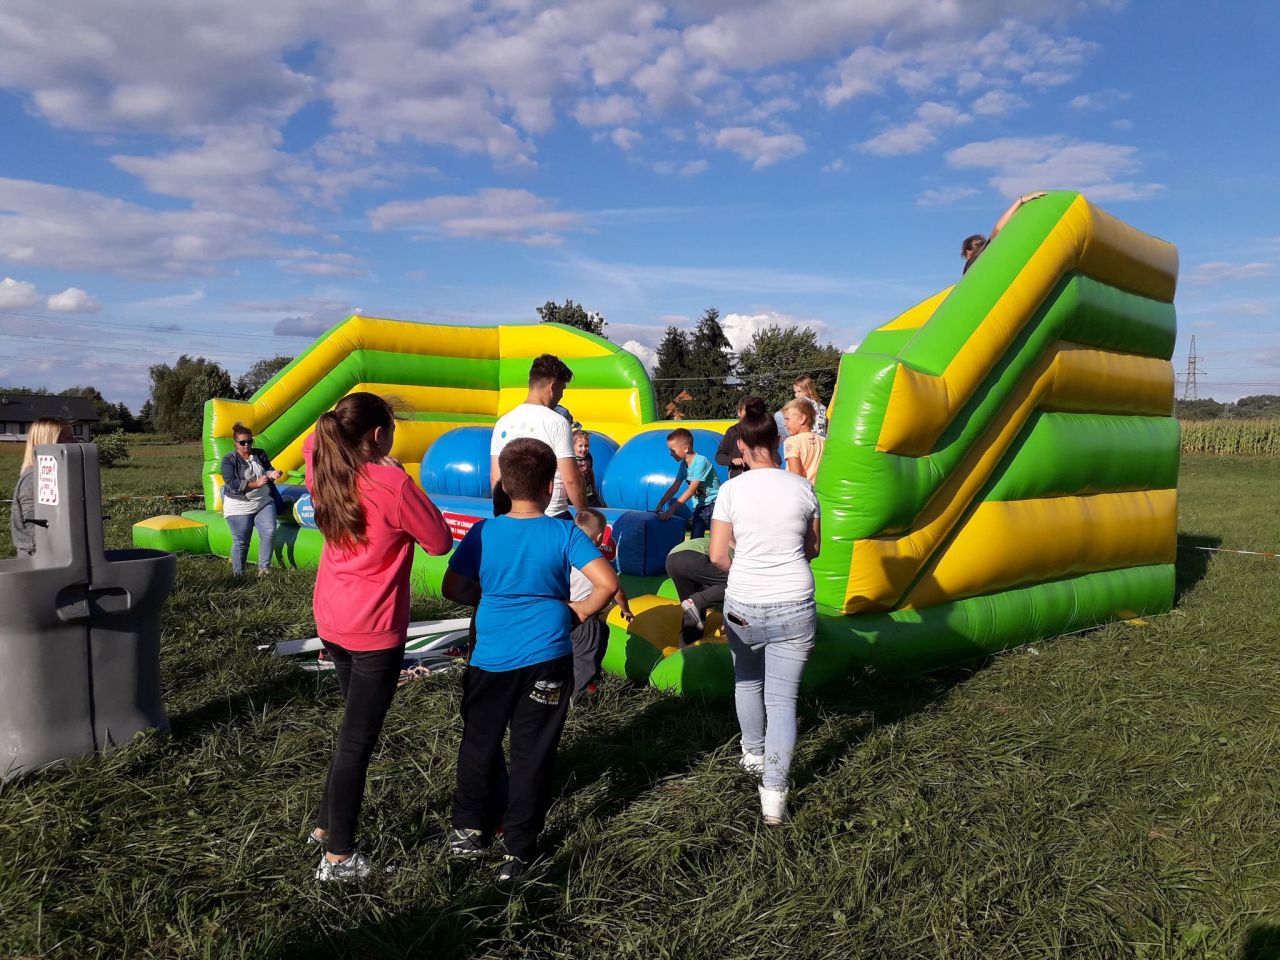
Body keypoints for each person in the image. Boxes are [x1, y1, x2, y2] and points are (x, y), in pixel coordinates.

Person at [442, 438, 618, 882]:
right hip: (547, 656)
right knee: (531, 752)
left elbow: (452, 587)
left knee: (479, 741)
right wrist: (578, 612)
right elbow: (607, 584)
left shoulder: (484, 532)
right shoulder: (564, 533)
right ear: (548, 486)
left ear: (504, 484)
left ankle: (467, 829)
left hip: (490, 657)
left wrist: (493, 598)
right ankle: (519, 851)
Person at [304, 393, 453, 882]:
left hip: (333, 618)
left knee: (352, 729)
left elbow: (314, 441)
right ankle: (339, 859)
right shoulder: (391, 483)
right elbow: (439, 541)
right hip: (373, 627)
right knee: (357, 742)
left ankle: (327, 826)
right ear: (377, 435)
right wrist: (397, 474)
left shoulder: (324, 467)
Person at [709, 397, 821, 826]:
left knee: (746, 679)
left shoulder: (731, 490)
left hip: (743, 604)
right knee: (783, 701)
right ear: (778, 440)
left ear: (741, 446)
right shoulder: (803, 488)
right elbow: (813, 548)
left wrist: (744, 564)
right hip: (794, 602)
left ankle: (753, 754)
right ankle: (774, 796)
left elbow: (717, 556)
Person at [491, 354, 587, 519]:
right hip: (552, 515)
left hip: (513, 516)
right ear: (552, 387)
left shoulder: (503, 423)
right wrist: (585, 515)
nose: (561, 396)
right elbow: (571, 479)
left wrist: (503, 518)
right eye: (562, 389)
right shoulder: (557, 423)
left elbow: (496, 477)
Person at [569, 508, 633, 699]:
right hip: (585, 617)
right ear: (599, 537)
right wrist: (625, 610)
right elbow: (616, 589)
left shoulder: (566, 554)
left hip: (563, 611)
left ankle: (581, 681)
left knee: (601, 633)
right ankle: (574, 698)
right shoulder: (596, 561)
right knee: (585, 660)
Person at [220, 422, 284, 576]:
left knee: (269, 531)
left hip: (263, 501)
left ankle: (264, 570)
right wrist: (255, 484)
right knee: (242, 542)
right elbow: (231, 482)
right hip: (239, 505)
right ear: (235, 443)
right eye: (242, 442)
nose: (247, 445)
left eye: (250, 441)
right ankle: (239, 575)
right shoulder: (229, 460)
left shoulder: (259, 454)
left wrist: (272, 474)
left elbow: (267, 470)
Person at [9, 418, 73, 558]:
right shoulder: (33, 479)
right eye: (68, 438)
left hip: (62, 553)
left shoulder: (60, 475)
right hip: (39, 558)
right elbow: (36, 529)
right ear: (51, 442)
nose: (75, 443)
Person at [655, 428, 720, 538]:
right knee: (695, 536)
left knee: (716, 536)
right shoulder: (684, 465)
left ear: (685, 448)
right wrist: (661, 503)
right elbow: (675, 486)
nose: (670, 454)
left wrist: (671, 510)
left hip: (715, 503)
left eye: (673, 450)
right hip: (701, 505)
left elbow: (691, 490)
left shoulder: (701, 461)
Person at [665, 535, 728, 647]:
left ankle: (685, 649)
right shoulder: (736, 554)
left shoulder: (717, 543)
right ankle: (695, 602)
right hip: (694, 557)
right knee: (735, 584)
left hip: (671, 560)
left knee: (693, 614)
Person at [962, 192, 1047, 273]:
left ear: (967, 252)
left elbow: (997, 230)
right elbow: (998, 229)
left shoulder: (973, 263)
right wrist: (1020, 201)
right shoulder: (989, 256)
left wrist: (1020, 200)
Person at [781, 399, 826, 483]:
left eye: (787, 419)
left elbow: (795, 473)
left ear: (802, 419)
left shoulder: (792, 441)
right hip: (819, 487)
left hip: (802, 488)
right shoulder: (823, 440)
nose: (784, 423)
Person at [715, 398, 751, 479]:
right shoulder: (733, 431)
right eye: (746, 410)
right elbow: (719, 456)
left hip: (755, 477)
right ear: (739, 412)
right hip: (736, 478)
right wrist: (732, 460)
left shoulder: (760, 431)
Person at [572, 430, 604, 507]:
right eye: (580, 446)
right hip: (575, 493)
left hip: (588, 493)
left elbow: (590, 472)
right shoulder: (571, 458)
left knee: (597, 508)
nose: (584, 449)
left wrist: (593, 488)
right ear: (573, 446)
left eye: (586, 446)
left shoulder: (588, 456)